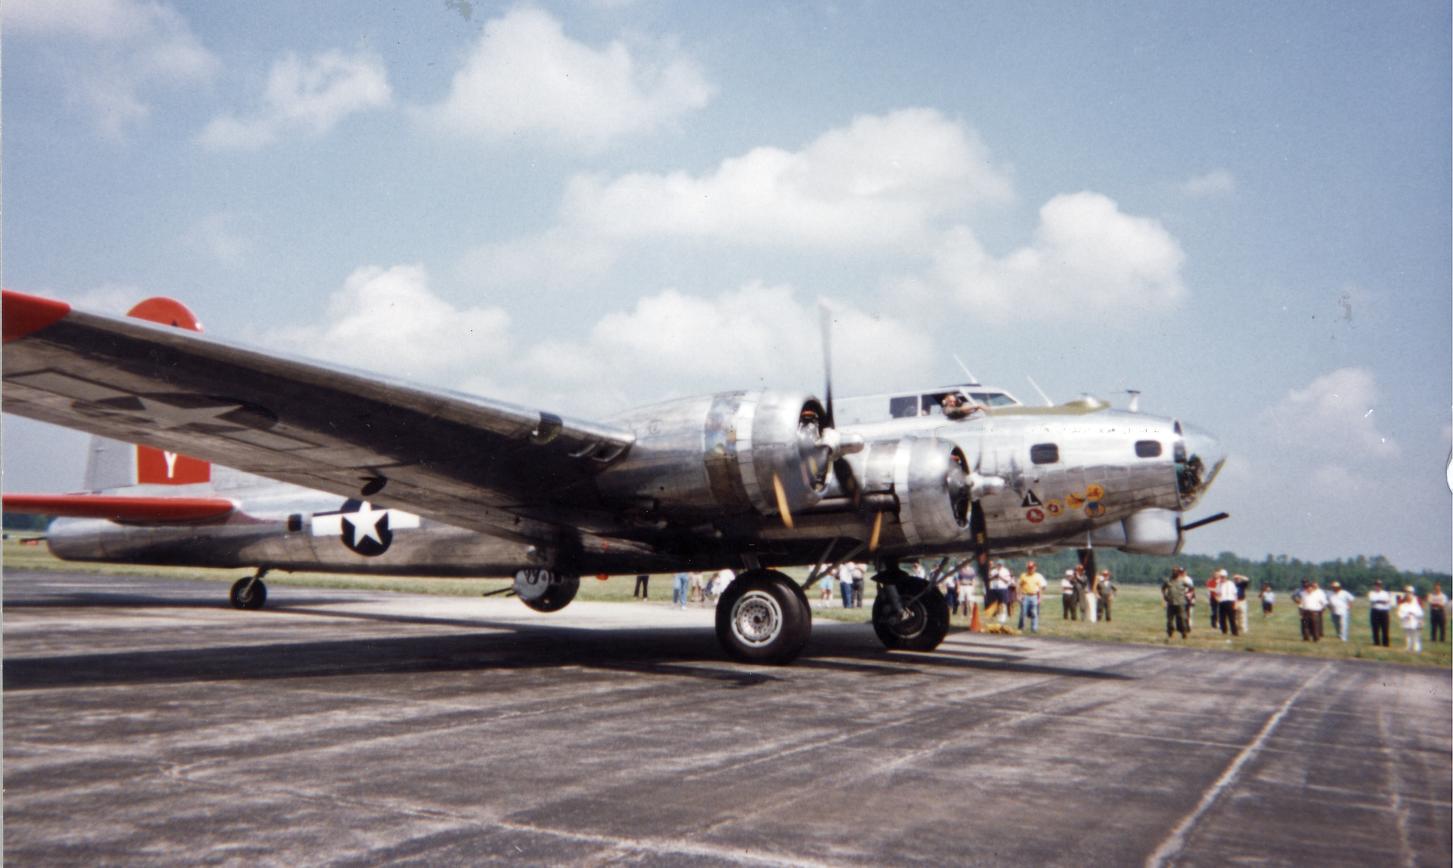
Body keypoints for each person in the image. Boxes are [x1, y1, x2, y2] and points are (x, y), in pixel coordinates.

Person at [1162, 567, 1193, 639]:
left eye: (1176, 571)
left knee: (1182, 619)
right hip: (1171, 603)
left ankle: (1184, 633)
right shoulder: (1168, 581)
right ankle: (1170, 633)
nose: (1174, 573)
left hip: (1181, 603)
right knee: (1170, 620)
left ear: (1179, 572)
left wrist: (1187, 595)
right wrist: (1165, 596)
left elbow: (1191, 588)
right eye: (1173, 571)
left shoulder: (1183, 581)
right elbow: (1163, 588)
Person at [1017, 560, 1047, 633]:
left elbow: (1040, 588)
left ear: (1035, 567)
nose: (1030, 569)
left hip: (1034, 596)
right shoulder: (1023, 575)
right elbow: (1018, 586)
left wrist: (1040, 598)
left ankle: (1034, 628)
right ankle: (1021, 627)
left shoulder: (1038, 576)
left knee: (1034, 613)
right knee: (1023, 613)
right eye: (1029, 567)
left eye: (1031, 567)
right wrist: (1018, 595)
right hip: (1025, 596)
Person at [1397, 587, 1424, 654]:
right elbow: (1399, 614)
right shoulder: (1403, 605)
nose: (1409, 596)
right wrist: (1406, 615)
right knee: (1407, 636)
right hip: (1406, 622)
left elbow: (1420, 613)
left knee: (1416, 636)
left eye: (1410, 594)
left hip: (1415, 622)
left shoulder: (1416, 605)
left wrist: (1417, 618)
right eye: (1407, 594)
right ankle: (1408, 648)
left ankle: (1416, 648)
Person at [1213, 569, 1239, 635]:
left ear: (1226, 577)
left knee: (1232, 618)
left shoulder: (1231, 584)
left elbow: (1235, 594)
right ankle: (1224, 631)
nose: (1222, 578)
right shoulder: (1219, 584)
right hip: (1222, 602)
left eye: (1223, 577)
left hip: (1230, 602)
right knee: (1222, 618)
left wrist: (1235, 604)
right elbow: (1216, 593)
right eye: (1221, 577)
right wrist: (1217, 599)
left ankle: (1234, 632)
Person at [1367, 580, 1392, 647]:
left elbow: (1387, 601)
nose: (1378, 586)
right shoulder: (1371, 593)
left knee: (1385, 628)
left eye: (1379, 585)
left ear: (1381, 586)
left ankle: (1385, 643)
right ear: (1374, 586)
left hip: (1384, 612)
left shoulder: (1385, 593)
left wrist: (1378, 601)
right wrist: (1381, 601)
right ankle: (1376, 643)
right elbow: (1372, 601)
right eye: (1376, 585)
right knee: (1375, 628)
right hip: (1375, 611)